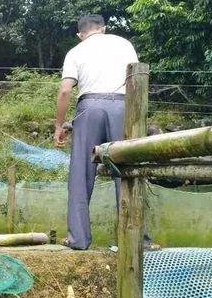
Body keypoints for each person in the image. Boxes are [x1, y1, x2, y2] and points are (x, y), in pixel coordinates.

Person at [54, 14, 160, 251]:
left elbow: (65, 90)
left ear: (80, 34)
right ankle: (138, 240)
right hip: (123, 106)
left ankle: (79, 239)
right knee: (127, 170)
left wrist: (59, 126)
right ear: (103, 28)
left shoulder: (76, 51)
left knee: (81, 173)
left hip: (89, 108)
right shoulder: (124, 44)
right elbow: (137, 79)